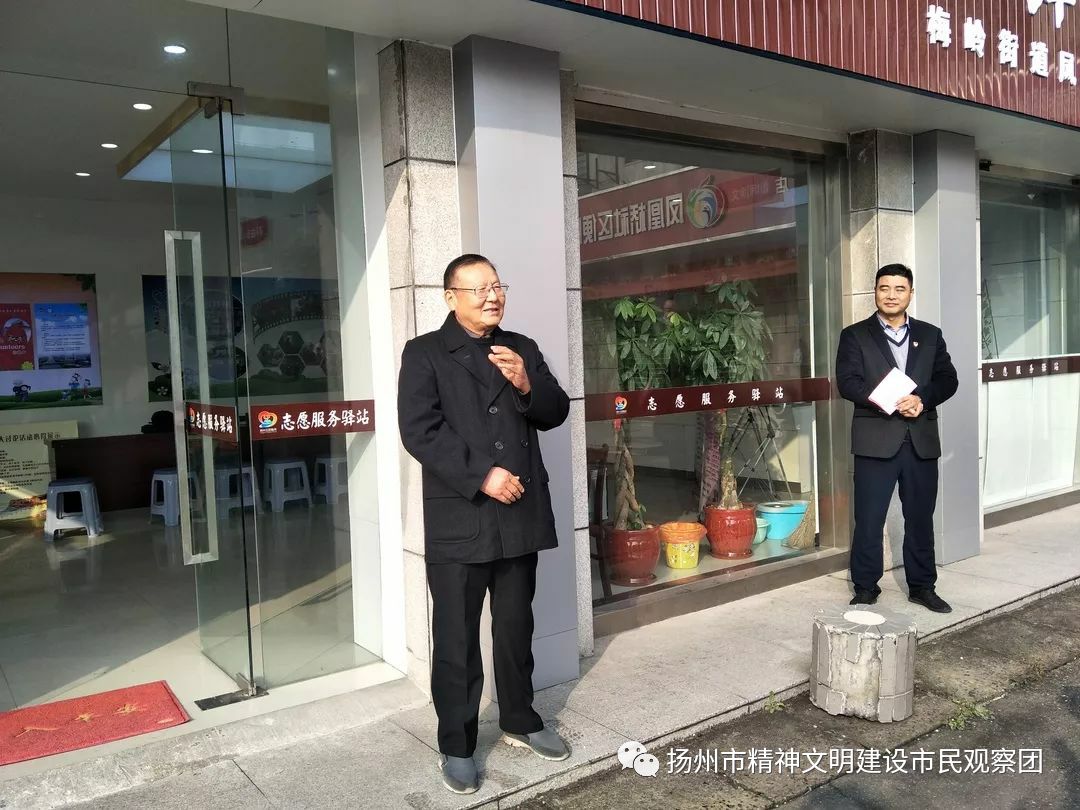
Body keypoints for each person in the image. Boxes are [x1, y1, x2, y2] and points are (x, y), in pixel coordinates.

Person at [397, 253, 572, 795]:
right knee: (456, 637)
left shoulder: (522, 347)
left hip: (518, 513)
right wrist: (482, 476)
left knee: (516, 625)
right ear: (451, 297)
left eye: (497, 286)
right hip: (463, 513)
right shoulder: (424, 353)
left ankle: (520, 718)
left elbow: (556, 411)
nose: (492, 296)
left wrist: (526, 383)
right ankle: (457, 743)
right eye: (478, 289)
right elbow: (419, 430)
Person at [835, 263, 959, 614]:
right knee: (869, 518)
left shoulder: (930, 335)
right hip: (875, 440)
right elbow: (848, 382)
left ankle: (922, 587)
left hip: (920, 441)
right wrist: (888, 401)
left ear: (910, 293)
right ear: (875, 292)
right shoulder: (854, 335)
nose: (891, 295)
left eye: (899, 289)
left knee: (920, 518)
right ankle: (865, 587)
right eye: (884, 288)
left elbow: (948, 379)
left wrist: (922, 399)